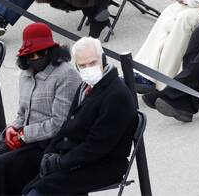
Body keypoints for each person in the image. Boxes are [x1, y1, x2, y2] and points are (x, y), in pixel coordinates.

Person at [0, 24, 81, 196]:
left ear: (52, 50)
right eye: (31, 54)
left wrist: (23, 135)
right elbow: (23, 113)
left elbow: (59, 122)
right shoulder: (26, 74)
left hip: (51, 144)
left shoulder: (66, 75)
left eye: (42, 52)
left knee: (3, 166)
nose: (36, 57)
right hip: (27, 139)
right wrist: (12, 128)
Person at [22, 37, 137, 195]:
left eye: (92, 63)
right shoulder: (85, 86)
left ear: (103, 60)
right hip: (78, 156)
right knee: (23, 174)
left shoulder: (116, 95)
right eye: (82, 66)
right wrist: (49, 153)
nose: (88, 68)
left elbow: (97, 146)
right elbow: (67, 126)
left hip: (104, 164)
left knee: (38, 191)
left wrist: (60, 163)